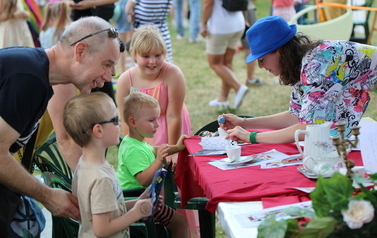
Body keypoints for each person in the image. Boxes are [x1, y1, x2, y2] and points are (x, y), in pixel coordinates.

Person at [0, 16, 122, 235]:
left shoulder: (38, 75)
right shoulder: (28, 79)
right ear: (80, 51)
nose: (109, 76)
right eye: (107, 64)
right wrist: (47, 196)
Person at [220, 16, 377, 145]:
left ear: (280, 51)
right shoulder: (302, 63)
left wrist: (251, 137)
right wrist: (244, 123)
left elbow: (309, 127)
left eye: (261, 59)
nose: (260, 66)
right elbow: (296, 116)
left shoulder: (319, 66)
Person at [63, 92, 153, 237]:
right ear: (98, 130)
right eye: (115, 120)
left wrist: (139, 201)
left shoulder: (85, 165)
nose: (120, 125)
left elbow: (109, 210)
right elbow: (102, 230)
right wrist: (137, 213)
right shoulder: (101, 179)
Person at [117, 92, 189, 238]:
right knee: (180, 224)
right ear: (133, 122)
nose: (157, 124)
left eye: (157, 119)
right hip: (138, 201)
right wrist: (158, 160)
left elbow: (152, 150)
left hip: (142, 198)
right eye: (151, 120)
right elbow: (143, 179)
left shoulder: (135, 141)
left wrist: (176, 147)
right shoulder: (133, 149)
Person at [116, 24, 191, 148]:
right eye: (145, 56)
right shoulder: (125, 80)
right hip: (141, 132)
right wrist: (133, 146)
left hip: (170, 129)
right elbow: (125, 120)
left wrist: (173, 149)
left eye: (158, 55)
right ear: (133, 54)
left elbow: (173, 116)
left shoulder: (173, 74)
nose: (152, 61)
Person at [201, 0, 249, 108]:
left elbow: (208, 3)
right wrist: (245, 19)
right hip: (238, 23)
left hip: (220, 26)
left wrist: (203, 24)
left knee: (214, 63)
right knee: (227, 63)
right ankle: (223, 98)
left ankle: (238, 88)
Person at [242, 0, 263, 86]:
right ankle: (250, 77)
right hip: (246, 8)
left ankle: (250, 76)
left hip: (239, 9)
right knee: (250, 44)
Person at [115, 0, 134, 73]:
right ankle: (130, 68)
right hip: (130, 10)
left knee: (122, 44)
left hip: (124, 10)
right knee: (131, 42)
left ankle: (123, 71)